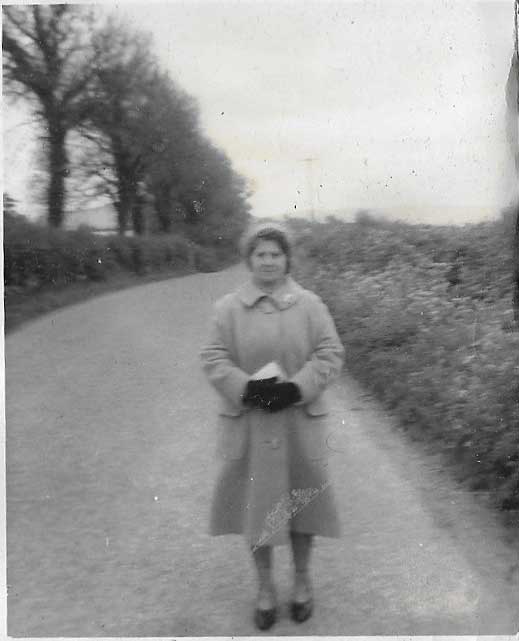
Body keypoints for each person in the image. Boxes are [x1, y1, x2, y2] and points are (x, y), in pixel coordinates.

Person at [200, 221, 344, 630]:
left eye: (275, 254)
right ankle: (264, 588)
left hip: (299, 422)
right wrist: (248, 391)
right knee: (257, 510)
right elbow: (212, 358)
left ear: (287, 259)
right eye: (260, 254)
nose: (267, 261)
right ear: (249, 260)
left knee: (301, 508)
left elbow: (331, 353)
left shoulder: (311, 305)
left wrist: (296, 389)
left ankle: (301, 582)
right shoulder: (226, 308)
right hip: (250, 424)